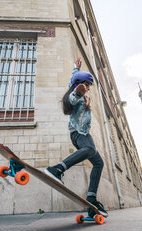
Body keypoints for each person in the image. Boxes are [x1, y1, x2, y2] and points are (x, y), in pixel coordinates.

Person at [44, 57, 108, 217]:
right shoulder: (76, 95)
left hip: (82, 134)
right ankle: (57, 169)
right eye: (85, 85)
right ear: (78, 84)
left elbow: (73, 80)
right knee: (90, 149)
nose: (87, 88)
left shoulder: (80, 92)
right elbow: (73, 96)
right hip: (79, 134)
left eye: (88, 85)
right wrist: (78, 90)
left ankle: (92, 198)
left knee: (99, 163)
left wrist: (75, 67)